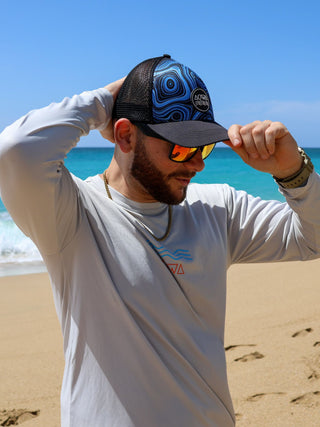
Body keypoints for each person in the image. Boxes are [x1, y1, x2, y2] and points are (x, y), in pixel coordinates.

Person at [0, 54, 319, 427]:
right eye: (181, 147)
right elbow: (16, 150)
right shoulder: (71, 215)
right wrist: (105, 101)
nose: (197, 164)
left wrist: (293, 173)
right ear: (125, 135)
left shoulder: (218, 208)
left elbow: (312, 238)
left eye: (204, 148)